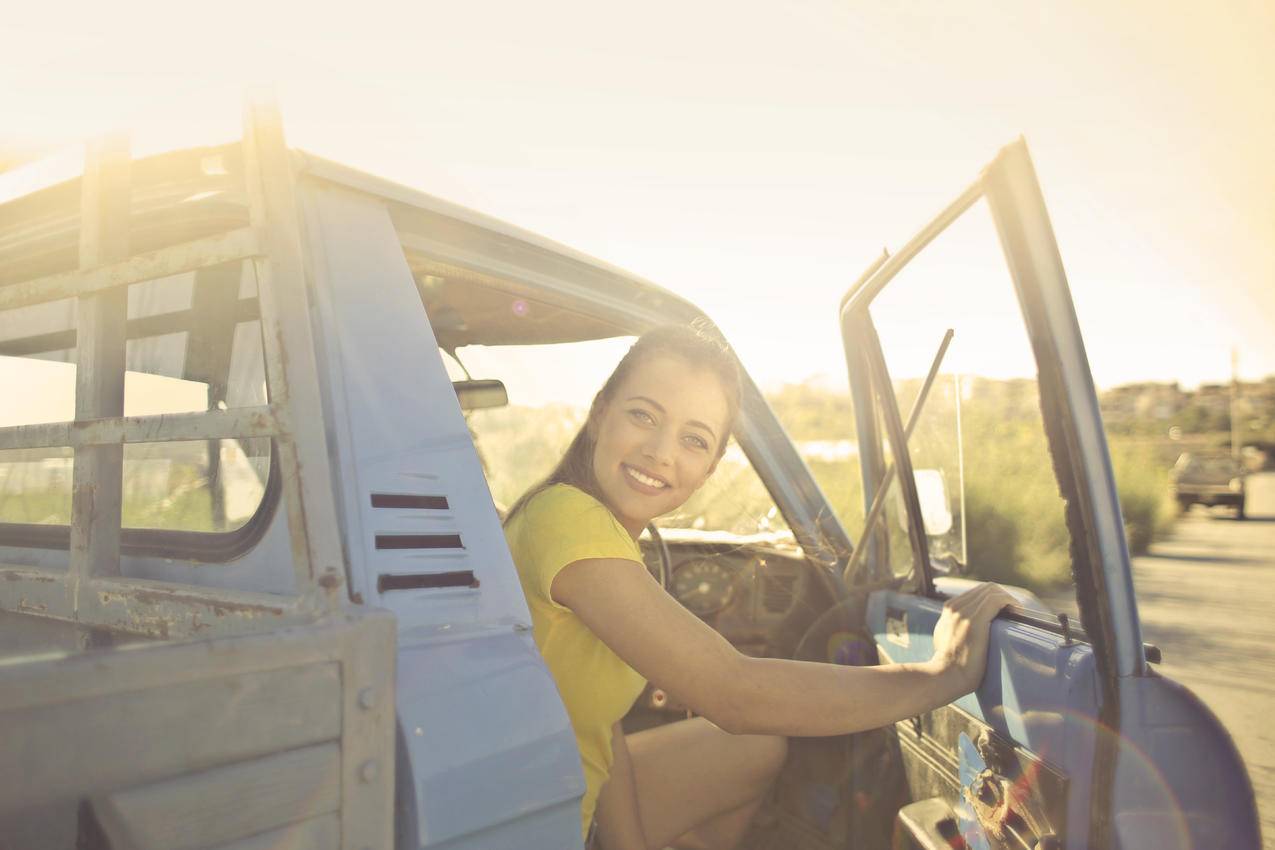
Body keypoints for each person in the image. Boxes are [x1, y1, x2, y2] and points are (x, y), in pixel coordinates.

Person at [503, 324, 1014, 850]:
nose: (661, 451)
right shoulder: (568, 519)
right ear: (598, 412)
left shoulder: (599, 533)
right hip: (520, 824)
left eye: (693, 439)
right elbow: (733, 692)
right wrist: (940, 675)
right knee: (750, 730)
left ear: (708, 469)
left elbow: (600, 729)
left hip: (551, 795)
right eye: (643, 415)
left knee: (755, 749)